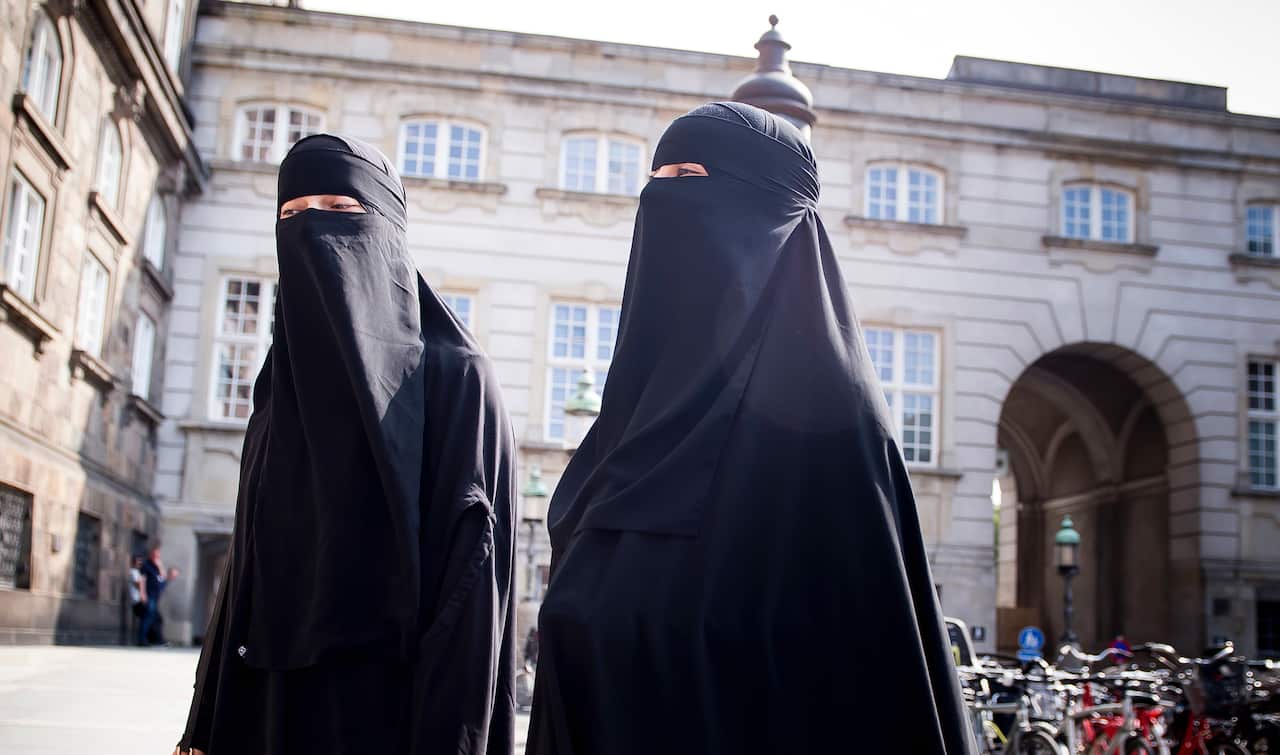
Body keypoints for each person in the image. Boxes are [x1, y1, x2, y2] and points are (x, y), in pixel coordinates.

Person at [528, 103, 976, 754]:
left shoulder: (835, 432)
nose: (665, 202)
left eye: (692, 177)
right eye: (660, 179)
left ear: (767, 211)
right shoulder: (631, 426)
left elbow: (869, 686)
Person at [174, 134, 518, 755]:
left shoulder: (456, 376)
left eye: (339, 210)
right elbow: (245, 563)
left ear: (387, 228)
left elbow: (473, 589)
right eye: (292, 215)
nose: (312, 232)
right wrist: (204, 722)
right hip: (265, 705)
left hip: (389, 715)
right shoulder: (282, 386)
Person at [138, 545, 166, 646]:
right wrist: (142, 593)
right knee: (148, 616)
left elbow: (163, 577)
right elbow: (142, 580)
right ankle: (142, 639)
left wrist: (159, 565)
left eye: (158, 553)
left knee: (153, 617)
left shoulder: (156, 565)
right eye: (155, 553)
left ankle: (149, 639)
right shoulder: (146, 565)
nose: (157, 555)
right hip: (149, 594)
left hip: (155, 595)